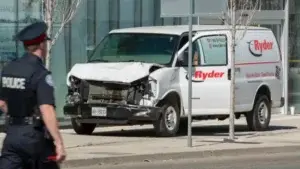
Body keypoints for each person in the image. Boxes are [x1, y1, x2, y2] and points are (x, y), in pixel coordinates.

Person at [0, 21, 66, 169]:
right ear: (42, 44)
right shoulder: (40, 73)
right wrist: (59, 142)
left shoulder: (9, 69)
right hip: (35, 139)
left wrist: (18, 115)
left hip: (12, 135)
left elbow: (2, 103)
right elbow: (47, 109)